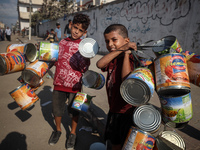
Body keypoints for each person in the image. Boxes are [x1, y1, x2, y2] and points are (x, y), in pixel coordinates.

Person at [48, 13, 90, 150]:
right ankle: (58, 130)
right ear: (71, 25)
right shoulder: (62, 42)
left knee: (75, 111)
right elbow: (54, 60)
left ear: (85, 32)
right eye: (75, 27)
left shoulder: (85, 46)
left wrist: (87, 55)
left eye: (81, 30)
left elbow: (85, 68)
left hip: (75, 85)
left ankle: (72, 134)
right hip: (59, 83)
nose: (76, 32)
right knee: (57, 110)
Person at [96, 24, 137, 150]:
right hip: (113, 109)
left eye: (114, 40)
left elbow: (126, 81)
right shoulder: (112, 59)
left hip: (127, 111)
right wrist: (121, 49)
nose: (110, 44)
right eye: (107, 41)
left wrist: (125, 54)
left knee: (125, 143)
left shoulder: (131, 59)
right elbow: (99, 63)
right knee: (114, 142)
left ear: (126, 41)